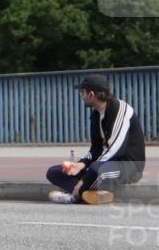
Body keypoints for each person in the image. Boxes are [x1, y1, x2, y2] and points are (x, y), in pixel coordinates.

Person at [46, 74, 146, 205]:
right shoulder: (96, 115)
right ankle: (87, 194)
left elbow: (114, 151)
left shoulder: (120, 109)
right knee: (54, 172)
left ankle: (76, 195)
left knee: (98, 170)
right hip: (104, 163)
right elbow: (95, 150)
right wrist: (80, 165)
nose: (81, 96)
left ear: (91, 94)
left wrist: (85, 177)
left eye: (82, 92)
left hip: (129, 166)